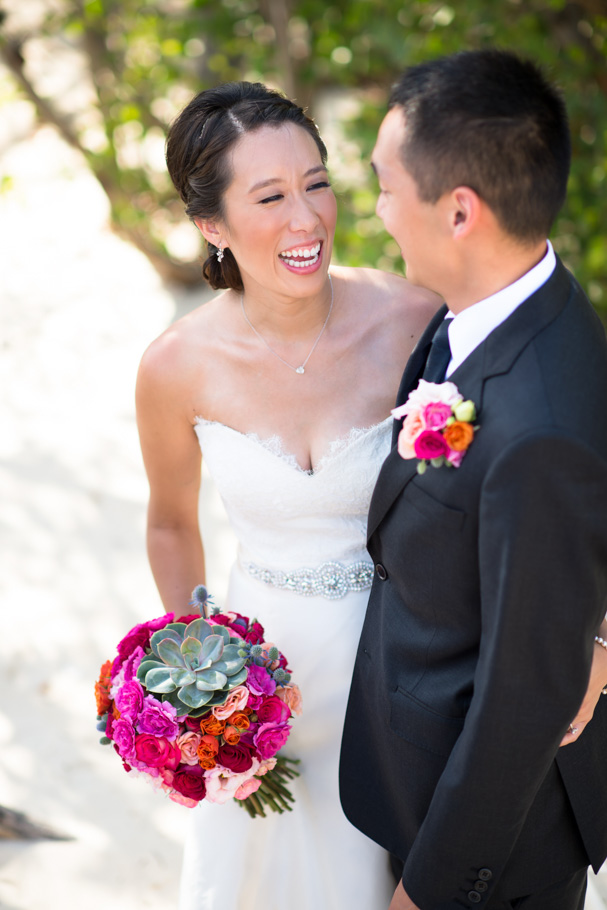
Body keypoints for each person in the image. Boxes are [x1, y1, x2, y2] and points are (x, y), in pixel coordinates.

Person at [135, 81, 439, 910]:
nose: (306, 219)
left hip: (399, 668)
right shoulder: (176, 365)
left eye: (316, 182)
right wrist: (197, 675)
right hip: (259, 684)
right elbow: (169, 522)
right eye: (269, 196)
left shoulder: (415, 319)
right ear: (211, 225)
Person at [339, 49, 607, 910]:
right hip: (415, 764)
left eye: (385, 187)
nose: (376, 211)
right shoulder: (513, 304)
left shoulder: (540, 424)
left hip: (492, 849)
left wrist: (433, 887)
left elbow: (523, 698)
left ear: (459, 210)